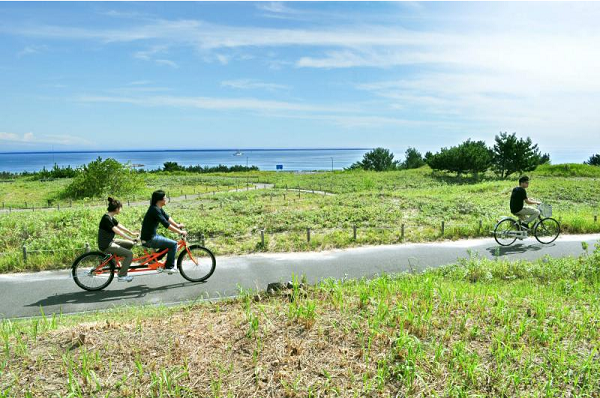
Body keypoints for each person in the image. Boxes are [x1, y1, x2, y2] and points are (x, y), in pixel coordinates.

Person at [140, 190, 187, 274]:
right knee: (173, 244)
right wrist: (180, 232)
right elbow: (166, 224)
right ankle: (169, 267)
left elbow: (167, 218)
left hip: (150, 237)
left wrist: (177, 225)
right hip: (150, 239)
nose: (166, 199)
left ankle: (153, 260)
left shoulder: (157, 208)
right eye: (165, 198)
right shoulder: (154, 210)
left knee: (167, 245)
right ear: (160, 200)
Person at [98, 197, 139, 282]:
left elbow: (120, 226)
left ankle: (117, 260)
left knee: (130, 244)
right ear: (116, 209)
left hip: (111, 241)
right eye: (120, 208)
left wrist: (131, 233)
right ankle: (122, 275)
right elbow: (118, 231)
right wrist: (131, 238)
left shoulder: (110, 217)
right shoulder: (106, 219)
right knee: (129, 254)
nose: (121, 209)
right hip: (107, 245)